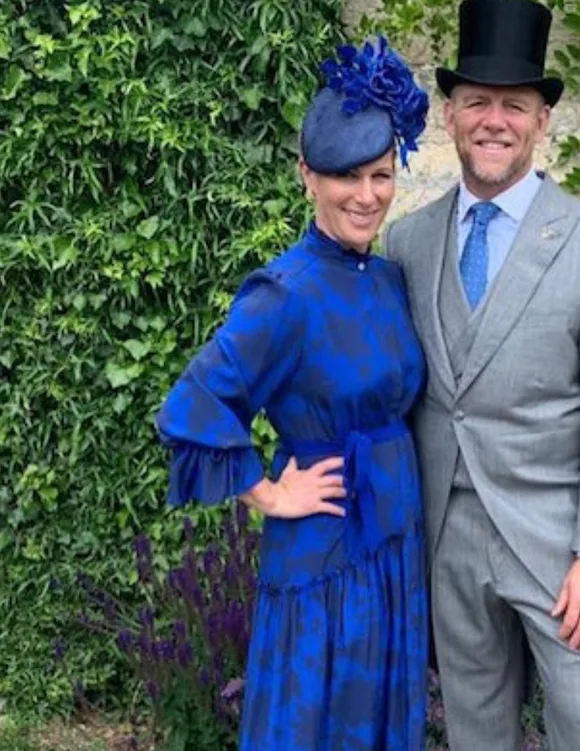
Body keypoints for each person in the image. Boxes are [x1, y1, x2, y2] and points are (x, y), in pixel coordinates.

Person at [383, 0, 580, 748]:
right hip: (450, 537)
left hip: (560, 543)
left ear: (543, 122)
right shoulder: (408, 241)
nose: (493, 119)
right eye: (477, 102)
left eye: (513, 105)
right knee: (475, 734)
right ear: (450, 114)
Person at [155, 37, 430, 751]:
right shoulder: (284, 293)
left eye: (379, 174)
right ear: (307, 175)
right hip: (325, 557)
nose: (366, 196)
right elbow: (194, 404)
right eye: (345, 177)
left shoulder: (389, 277)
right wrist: (270, 494)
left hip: (394, 548)